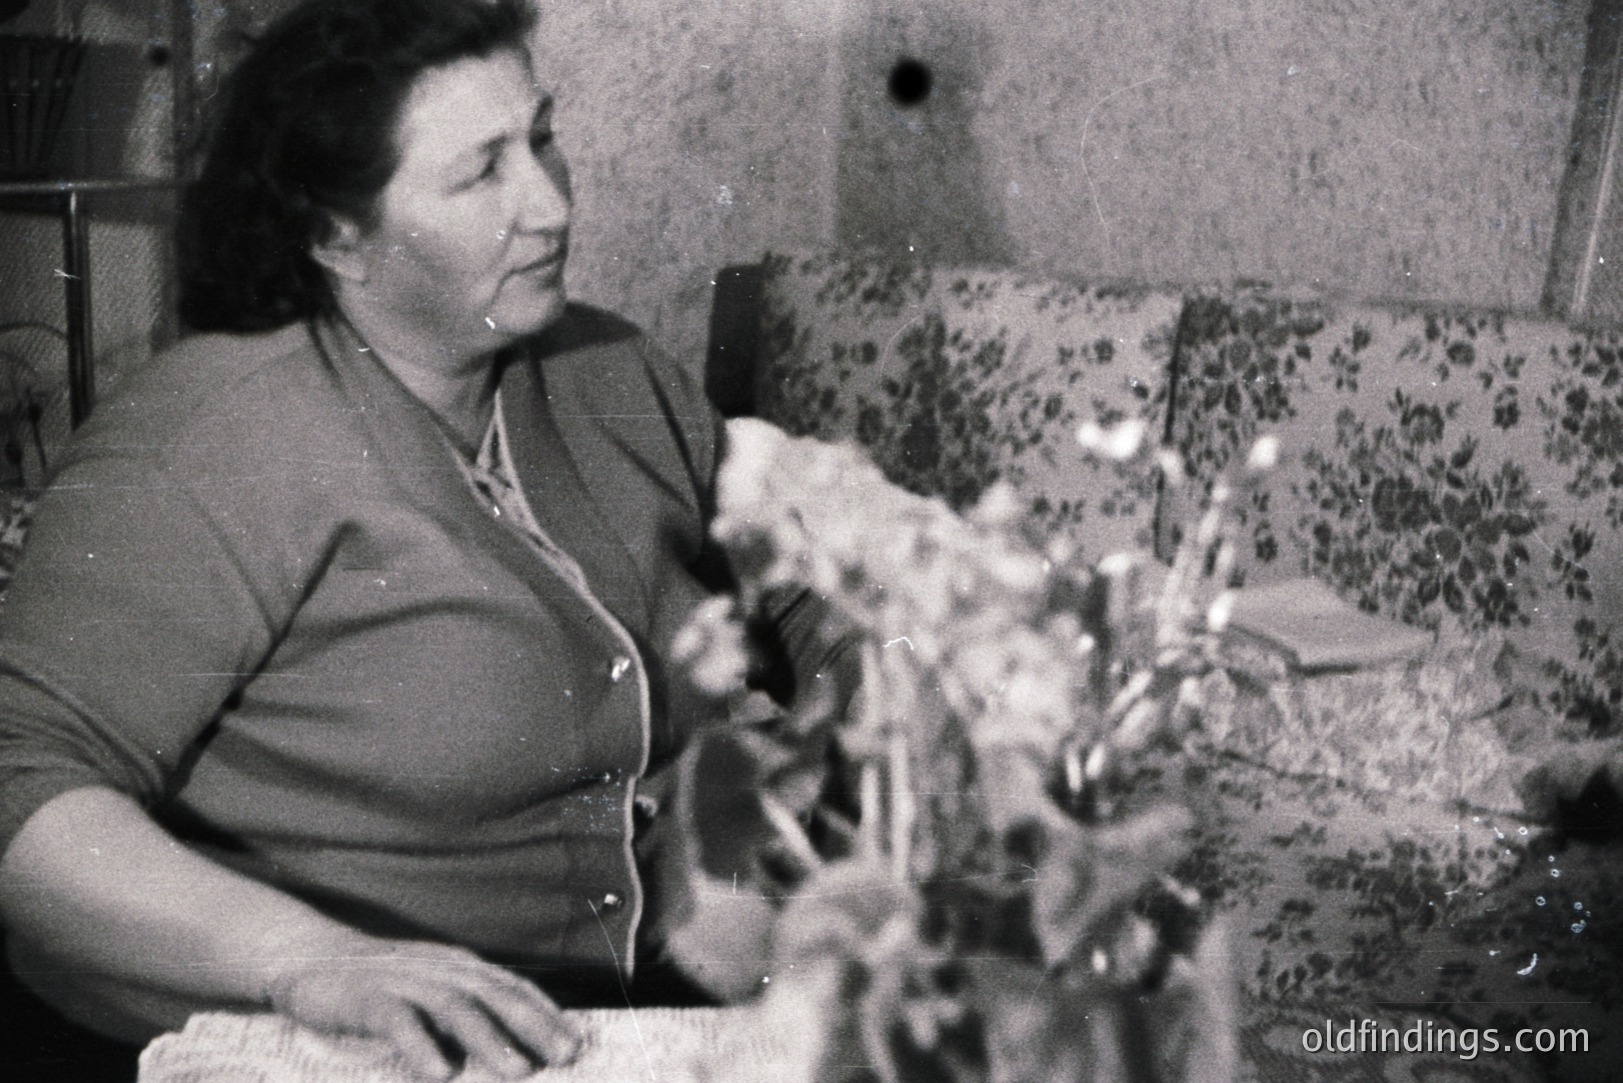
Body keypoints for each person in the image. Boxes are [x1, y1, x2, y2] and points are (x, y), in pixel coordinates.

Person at [0, 0, 831, 1078]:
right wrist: (308, 958)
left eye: (541, 138)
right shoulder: (205, 440)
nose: (550, 206)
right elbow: (22, 778)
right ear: (335, 236)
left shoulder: (612, 371)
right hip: (331, 1043)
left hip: (642, 1018)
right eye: (480, 173)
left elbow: (815, 602)